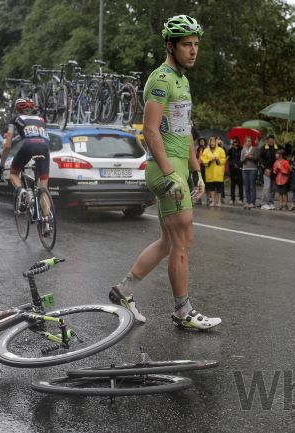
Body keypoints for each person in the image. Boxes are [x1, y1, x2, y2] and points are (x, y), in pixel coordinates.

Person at [108, 15, 220, 330]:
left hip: (180, 169)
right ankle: (183, 311)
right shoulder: (161, 79)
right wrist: (173, 174)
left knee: (168, 242)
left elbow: (184, 133)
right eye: (187, 44)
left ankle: (124, 289)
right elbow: (151, 131)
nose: (194, 50)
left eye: (196, 44)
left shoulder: (182, 81)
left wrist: (197, 171)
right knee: (184, 240)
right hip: (165, 170)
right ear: (170, 46)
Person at [0, 97, 52, 220]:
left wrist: (1, 164)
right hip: (45, 147)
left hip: (28, 146)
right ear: (32, 108)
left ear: (17, 108)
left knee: (13, 173)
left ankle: (21, 191)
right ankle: (47, 220)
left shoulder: (15, 119)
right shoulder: (41, 119)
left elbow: (7, 146)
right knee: (43, 187)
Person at [201, 136, 226, 207]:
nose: (212, 143)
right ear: (209, 142)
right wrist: (209, 160)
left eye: (213, 141)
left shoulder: (221, 150)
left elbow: (224, 159)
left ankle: (219, 202)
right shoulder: (206, 150)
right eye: (211, 141)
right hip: (210, 172)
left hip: (218, 172)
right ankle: (213, 201)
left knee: (219, 188)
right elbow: (203, 159)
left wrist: (217, 159)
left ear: (216, 142)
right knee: (211, 187)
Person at [259, 134, 278, 210]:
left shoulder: (277, 147)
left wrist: (287, 144)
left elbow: (286, 152)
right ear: (267, 141)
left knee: (273, 188)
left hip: (275, 171)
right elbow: (260, 160)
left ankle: (271, 202)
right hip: (266, 170)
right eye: (270, 140)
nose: (271, 142)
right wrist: (265, 169)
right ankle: (264, 203)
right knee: (267, 187)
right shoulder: (263, 148)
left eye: (272, 140)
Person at [240, 136, 258, 209]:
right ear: (245, 142)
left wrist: (251, 157)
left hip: (252, 169)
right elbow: (241, 161)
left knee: (252, 186)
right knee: (247, 186)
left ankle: (252, 202)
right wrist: (245, 157)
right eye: (247, 141)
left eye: (250, 141)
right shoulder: (243, 150)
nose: (249, 142)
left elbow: (256, 160)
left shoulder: (254, 149)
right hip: (245, 169)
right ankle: (248, 201)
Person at [227, 137, 243, 205]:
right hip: (232, 168)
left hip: (239, 168)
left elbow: (242, 158)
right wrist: (233, 164)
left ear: (238, 142)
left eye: (236, 141)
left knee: (240, 184)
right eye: (234, 142)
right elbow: (228, 159)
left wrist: (239, 165)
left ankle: (241, 199)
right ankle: (232, 198)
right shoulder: (230, 150)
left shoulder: (241, 149)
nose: (235, 143)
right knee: (233, 184)